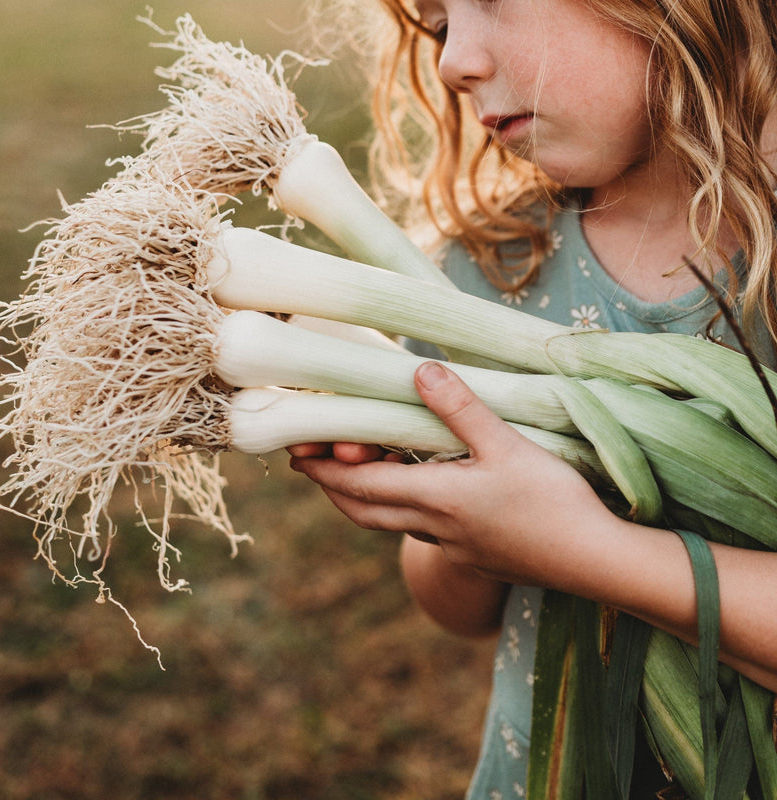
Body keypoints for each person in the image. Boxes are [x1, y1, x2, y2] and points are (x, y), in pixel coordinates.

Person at [289, 0, 777, 796]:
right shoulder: (492, 264)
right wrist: (444, 510)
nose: (452, 63)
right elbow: (456, 606)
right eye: (440, 24)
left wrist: (584, 553)